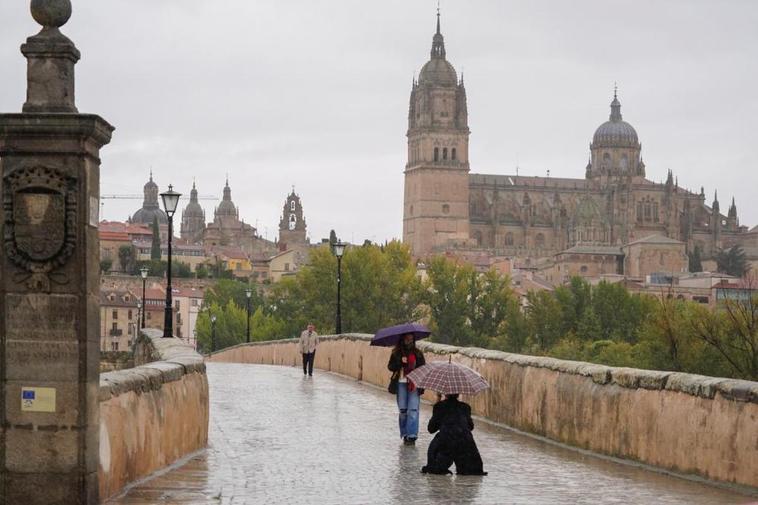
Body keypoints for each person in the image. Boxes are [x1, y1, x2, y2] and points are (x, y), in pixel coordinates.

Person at [421, 394, 487, 475]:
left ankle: (438, 466)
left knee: (436, 458)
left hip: (446, 441)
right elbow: (470, 427)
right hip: (465, 442)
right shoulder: (465, 407)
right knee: (471, 470)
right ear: (458, 394)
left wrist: (437, 411)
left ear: (445, 394)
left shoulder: (439, 406)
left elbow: (431, 429)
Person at [387, 333, 425, 445]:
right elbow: (390, 367)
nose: (409, 341)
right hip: (401, 384)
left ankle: (412, 436)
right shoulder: (396, 353)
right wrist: (400, 362)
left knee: (413, 410)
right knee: (403, 410)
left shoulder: (418, 353)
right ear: (403, 339)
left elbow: (423, 369)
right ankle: (404, 434)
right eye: (407, 339)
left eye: (411, 339)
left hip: (414, 384)